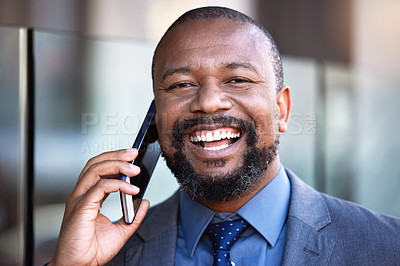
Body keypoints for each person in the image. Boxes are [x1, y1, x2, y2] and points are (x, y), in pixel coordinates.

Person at [49, 6, 400, 266]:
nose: (209, 102)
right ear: (156, 118)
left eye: (238, 80)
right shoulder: (108, 254)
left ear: (282, 109)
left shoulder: (387, 247)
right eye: (182, 85)